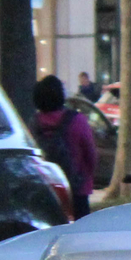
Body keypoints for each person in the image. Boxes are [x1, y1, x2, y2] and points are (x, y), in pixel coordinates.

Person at [32, 75, 98, 215]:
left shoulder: (34, 123)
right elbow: (90, 155)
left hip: (46, 189)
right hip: (77, 189)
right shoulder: (77, 120)